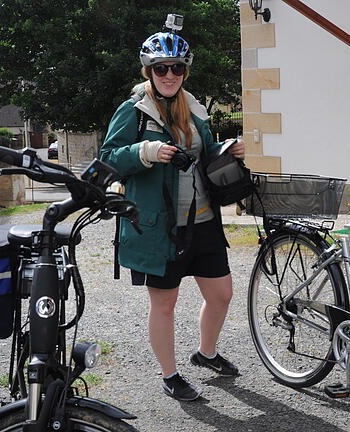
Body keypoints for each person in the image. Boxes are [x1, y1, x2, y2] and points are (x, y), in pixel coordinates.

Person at [99, 28, 245, 402]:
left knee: (222, 294)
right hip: (159, 227)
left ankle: (205, 353)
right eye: (161, 68)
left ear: (185, 71)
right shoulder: (134, 109)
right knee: (165, 303)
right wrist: (146, 151)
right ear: (149, 70)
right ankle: (171, 374)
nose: (169, 75)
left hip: (203, 218)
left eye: (176, 68)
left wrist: (229, 149)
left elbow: (206, 151)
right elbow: (108, 160)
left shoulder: (194, 108)